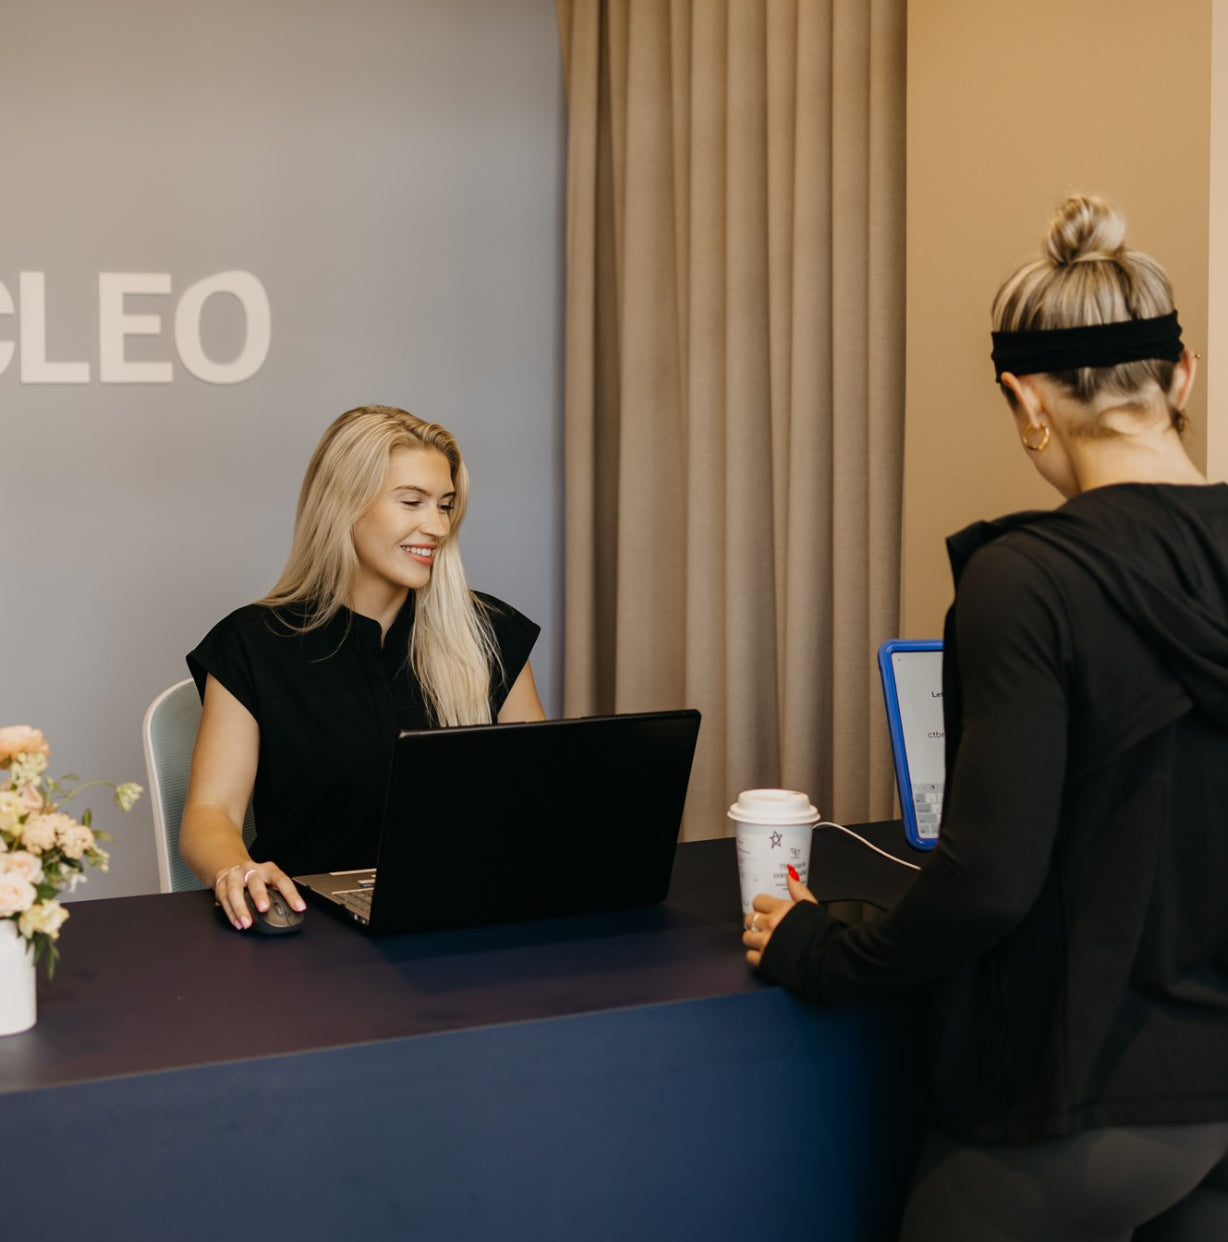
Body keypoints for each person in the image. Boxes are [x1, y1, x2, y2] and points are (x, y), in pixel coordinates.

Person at [742, 196, 1228, 1241]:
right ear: (1183, 376)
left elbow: (987, 883)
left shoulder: (1029, 580)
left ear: (1024, 400)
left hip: (1078, 1102)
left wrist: (818, 947)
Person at [181, 405, 545, 930]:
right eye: (412, 502)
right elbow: (210, 814)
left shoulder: (491, 633)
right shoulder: (252, 644)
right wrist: (235, 868)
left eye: (445, 505)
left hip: (473, 918)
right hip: (308, 928)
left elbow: (541, 793)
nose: (437, 526)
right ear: (344, 505)